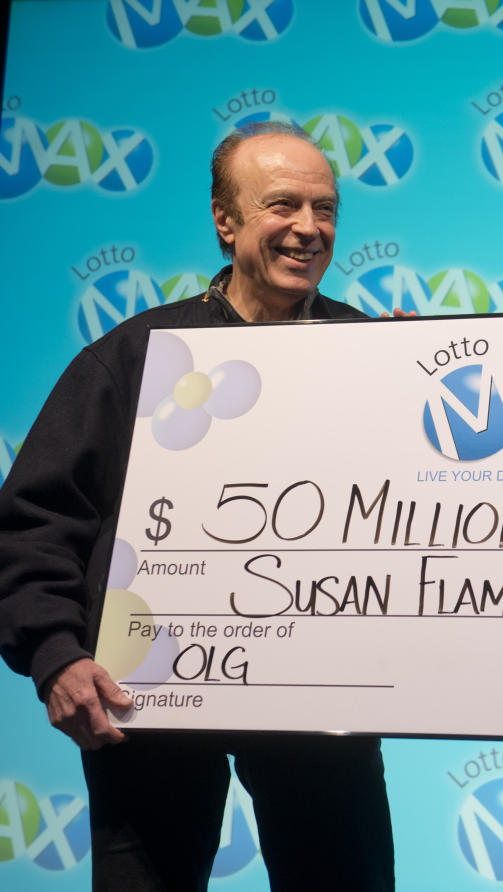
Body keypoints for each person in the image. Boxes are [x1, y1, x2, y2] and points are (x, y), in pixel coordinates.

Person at [0, 122, 395, 891]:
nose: (309, 229)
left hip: (323, 705)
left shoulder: (378, 359)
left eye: (326, 209)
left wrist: (430, 384)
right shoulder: (137, 356)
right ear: (226, 220)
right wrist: (55, 654)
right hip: (147, 705)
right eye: (282, 205)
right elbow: (35, 521)